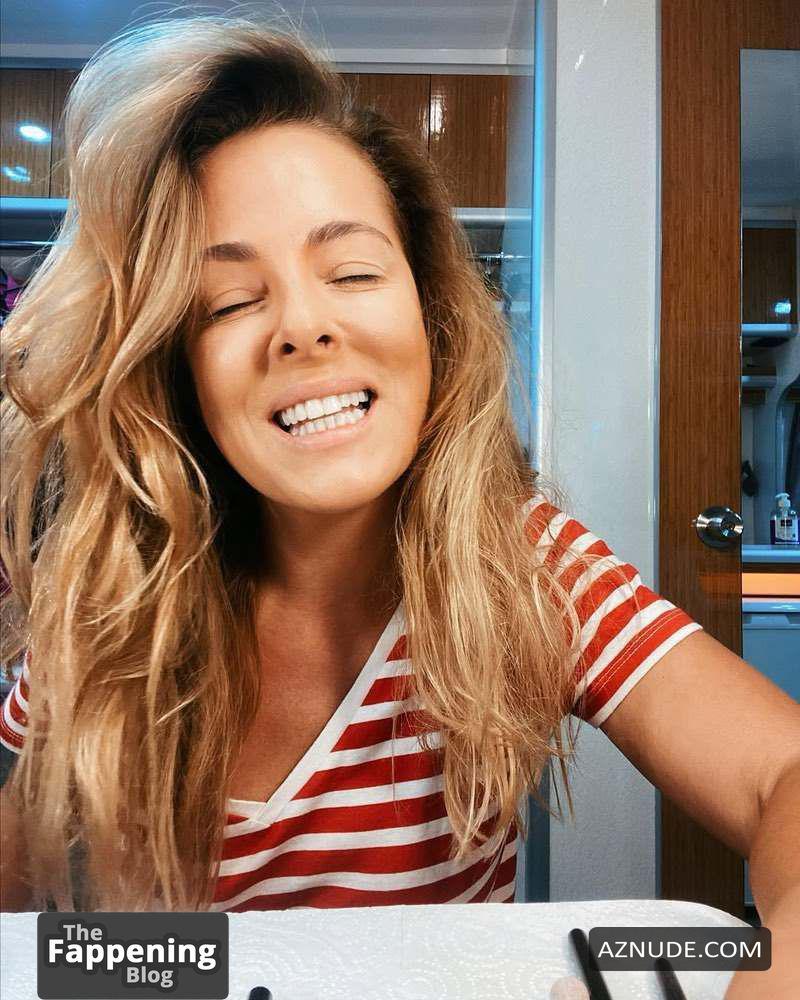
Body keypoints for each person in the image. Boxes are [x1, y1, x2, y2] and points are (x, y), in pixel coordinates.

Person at [0, 17, 797, 963]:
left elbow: (781, 771)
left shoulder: (525, 563)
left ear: (430, 316)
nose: (303, 327)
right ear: (177, 371)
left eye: (353, 272)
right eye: (230, 302)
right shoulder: (113, 600)